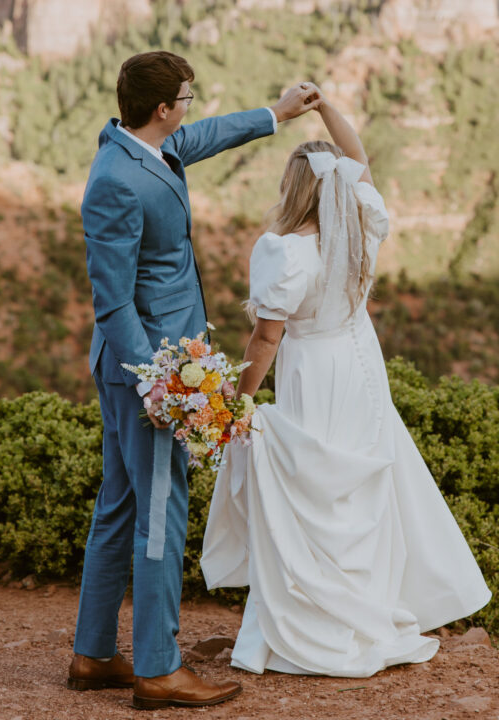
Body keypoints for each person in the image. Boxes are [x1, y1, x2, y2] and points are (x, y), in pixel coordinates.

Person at [201, 92, 491, 678]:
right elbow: (360, 162)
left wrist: (238, 397)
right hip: (360, 366)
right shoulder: (362, 225)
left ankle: (309, 623)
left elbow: (265, 340)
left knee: (314, 487)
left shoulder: (283, 251)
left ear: (294, 191)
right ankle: (364, 612)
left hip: (312, 371)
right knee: (356, 488)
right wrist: (326, 108)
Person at [68, 51, 321, 709]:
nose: (191, 104)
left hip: (150, 369)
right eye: (187, 95)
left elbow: (204, 137)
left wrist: (276, 112)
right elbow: (112, 301)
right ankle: (157, 669)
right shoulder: (115, 182)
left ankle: (93, 655)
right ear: (162, 107)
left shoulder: (147, 146)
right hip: (149, 371)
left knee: (121, 503)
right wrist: (157, 385)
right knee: (159, 509)